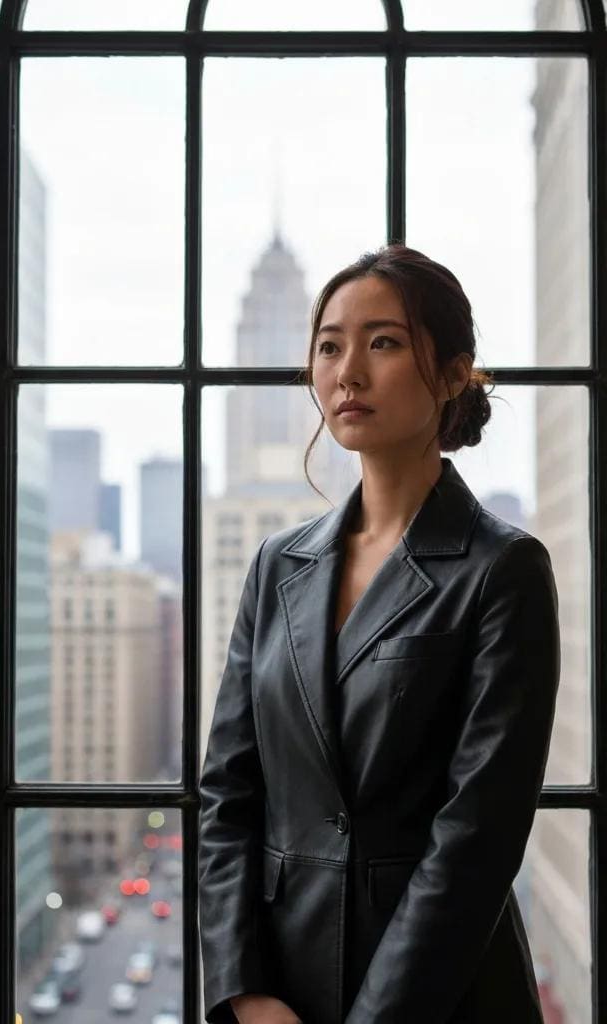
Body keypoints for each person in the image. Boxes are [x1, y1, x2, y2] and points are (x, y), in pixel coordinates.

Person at [198, 243, 560, 1024]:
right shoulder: (277, 563)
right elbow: (228, 794)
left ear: (456, 373)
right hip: (279, 994)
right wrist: (245, 989)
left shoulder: (504, 570)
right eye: (329, 345)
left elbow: (476, 842)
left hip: (443, 996)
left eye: (383, 342)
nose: (347, 371)